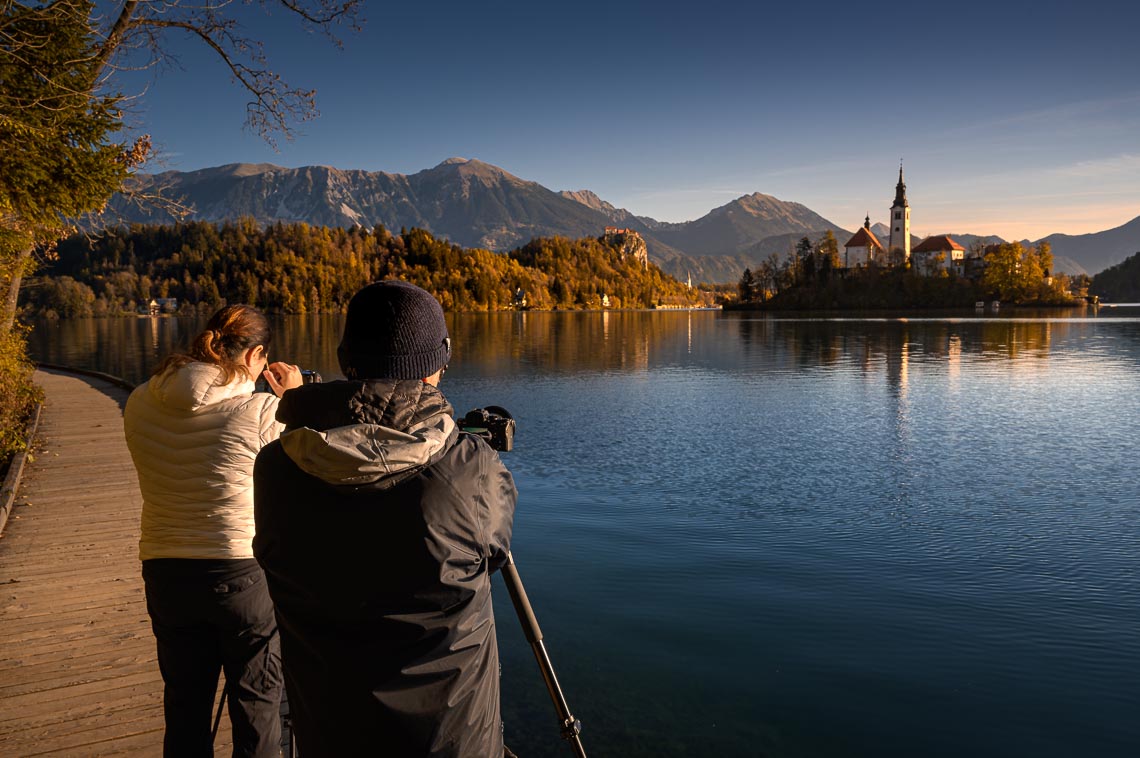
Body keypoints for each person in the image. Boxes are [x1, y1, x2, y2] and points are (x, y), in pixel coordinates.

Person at [252, 280, 517, 757]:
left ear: (344, 357)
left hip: (330, 731)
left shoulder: (275, 468)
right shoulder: (470, 467)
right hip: (452, 741)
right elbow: (493, 553)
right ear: (439, 362)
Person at [123, 304, 303, 757]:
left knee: (184, 707)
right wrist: (294, 399)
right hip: (240, 574)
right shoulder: (262, 411)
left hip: (165, 570)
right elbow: (307, 468)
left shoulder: (141, 399)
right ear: (256, 355)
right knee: (257, 707)